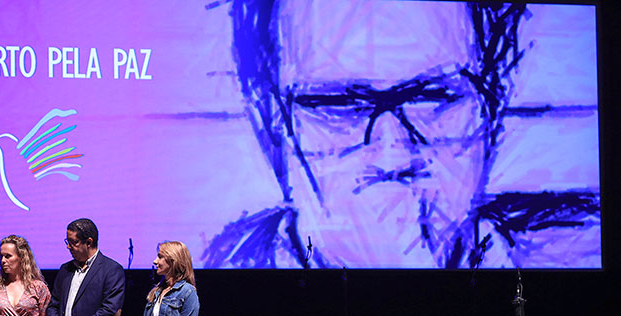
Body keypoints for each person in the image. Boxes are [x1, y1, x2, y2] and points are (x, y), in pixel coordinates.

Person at [203, 0, 599, 269]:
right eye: (338, 105)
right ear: (273, 123)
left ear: (491, 110)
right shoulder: (208, 277)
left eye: (432, 97)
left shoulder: (578, 253)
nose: (391, 153)